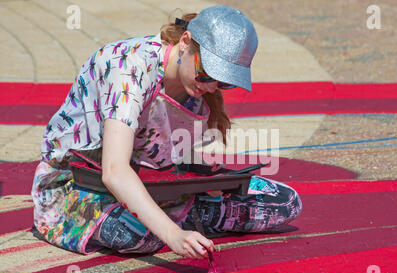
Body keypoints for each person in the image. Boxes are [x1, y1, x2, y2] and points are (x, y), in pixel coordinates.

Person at [31, 5, 302, 259]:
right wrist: (172, 235)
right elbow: (114, 170)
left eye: (224, 82)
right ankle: (183, 218)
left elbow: (165, 156)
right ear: (185, 42)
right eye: (207, 74)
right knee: (141, 236)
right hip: (76, 184)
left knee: (286, 202)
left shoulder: (193, 84)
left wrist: (206, 184)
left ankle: (185, 213)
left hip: (151, 181)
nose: (211, 87)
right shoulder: (129, 69)